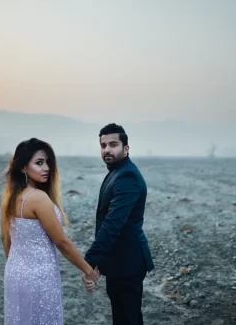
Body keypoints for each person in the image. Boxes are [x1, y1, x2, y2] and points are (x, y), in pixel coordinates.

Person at [1, 138, 98, 325]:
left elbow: (7, 240)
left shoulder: (10, 198)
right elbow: (62, 242)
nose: (46, 168)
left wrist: (19, 269)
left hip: (15, 274)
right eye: (39, 163)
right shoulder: (38, 198)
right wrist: (88, 271)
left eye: (47, 162)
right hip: (39, 277)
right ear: (22, 167)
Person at [82, 123, 155, 325]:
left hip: (129, 262)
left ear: (126, 148)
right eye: (103, 145)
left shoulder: (127, 176)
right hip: (117, 261)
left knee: (129, 319)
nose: (107, 150)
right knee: (121, 318)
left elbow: (113, 224)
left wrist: (89, 261)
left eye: (113, 144)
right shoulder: (116, 172)